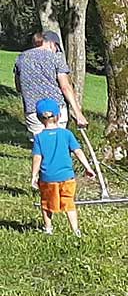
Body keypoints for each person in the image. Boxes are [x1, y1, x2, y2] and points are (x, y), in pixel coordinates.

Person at [30, 98, 95, 237]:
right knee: (69, 203)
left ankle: (48, 229)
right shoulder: (67, 134)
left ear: (38, 118)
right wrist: (88, 167)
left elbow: (37, 158)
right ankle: (75, 231)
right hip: (67, 177)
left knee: (46, 203)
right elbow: (78, 151)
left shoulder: (39, 137)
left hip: (48, 178)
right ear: (58, 115)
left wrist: (34, 175)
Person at [13, 31, 89, 140]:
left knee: (41, 146)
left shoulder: (21, 58)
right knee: (58, 144)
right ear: (52, 44)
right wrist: (78, 113)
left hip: (33, 110)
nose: (56, 50)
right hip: (56, 110)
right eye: (56, 47)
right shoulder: (56, 58)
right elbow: (65, 87)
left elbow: (18, 87)